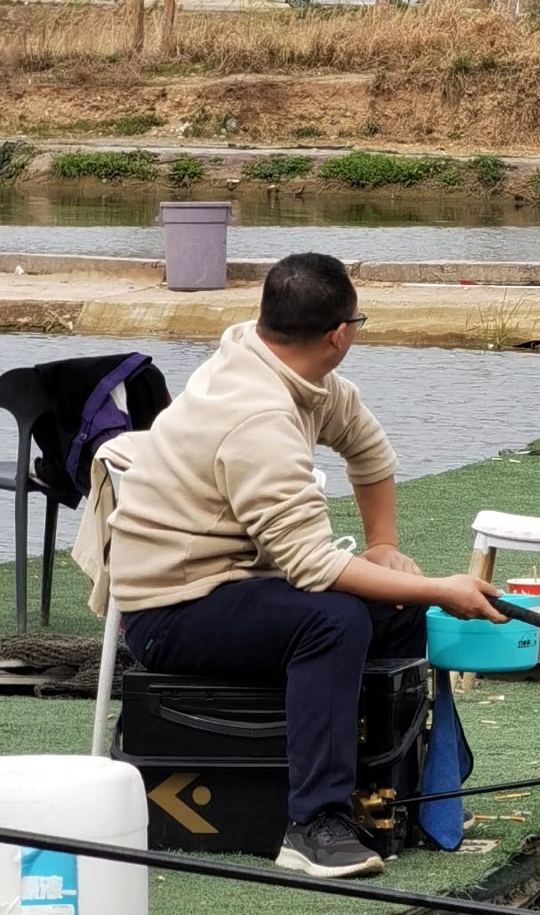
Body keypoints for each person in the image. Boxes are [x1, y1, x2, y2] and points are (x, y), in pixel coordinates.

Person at [106, 251, 505, 882]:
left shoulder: (284, 368)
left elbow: (369, 450)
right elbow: (313, 567)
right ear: (340, 334)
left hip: (239, 583)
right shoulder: (257, 416)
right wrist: (437, 587)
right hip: (170, 608)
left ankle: (385, 793)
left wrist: (384, 544)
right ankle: (314, 826)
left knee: (393, 606)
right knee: (335, 621)